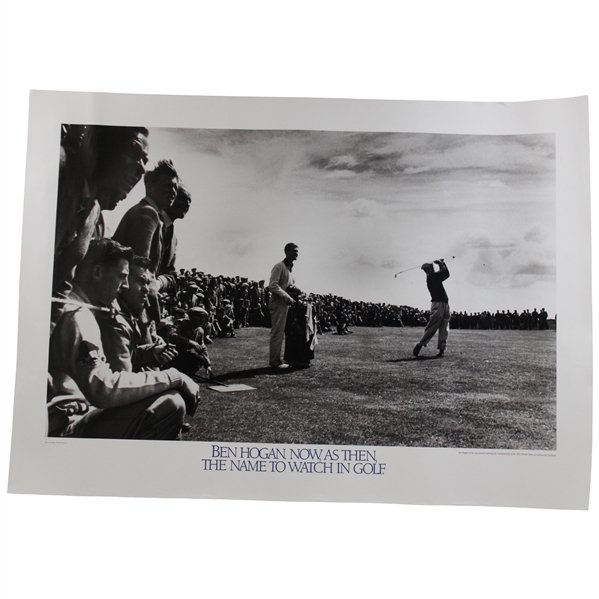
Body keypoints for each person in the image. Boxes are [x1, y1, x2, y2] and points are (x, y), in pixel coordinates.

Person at [48, 238, 199, 439]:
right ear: (97, 273)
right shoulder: (77, 315)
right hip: (65, 427)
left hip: (74, 416)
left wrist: (148, 355)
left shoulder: (80, 306)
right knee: (170, 405)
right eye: (122, 276)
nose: (125, 286)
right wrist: (173, 377)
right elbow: (103, 388)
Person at [112, 159, 179, 273]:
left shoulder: (149, 212)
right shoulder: (147, 213)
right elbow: (139, 269)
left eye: (175, 188)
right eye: (168, 186)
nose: (173, 192)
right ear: (150, 187)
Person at [268, 243, 299, 368]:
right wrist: (287, 296)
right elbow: (272, 285)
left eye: (297, 251)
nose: (296, 254)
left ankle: (286, 359)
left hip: (287, 305)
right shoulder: (279, 266)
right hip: (278, 304)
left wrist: (295, 291)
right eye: (293, 251)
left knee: (288, 333)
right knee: (278, 332)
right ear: (286, 252)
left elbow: (290, 286)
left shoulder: (290, 269)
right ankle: (274, 361)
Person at [413, 259, 450, 358]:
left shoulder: (433, 277)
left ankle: (441, 350)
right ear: (427, 270)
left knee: (444, 328)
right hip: (438, 305)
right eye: (431, 267)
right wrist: (441, 264)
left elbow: (445, 273)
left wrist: (442, 264)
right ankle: (420, 344)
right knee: (433, 327)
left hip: (444, 304)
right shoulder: (432, 277)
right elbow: (445, 274)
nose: (433, 268)